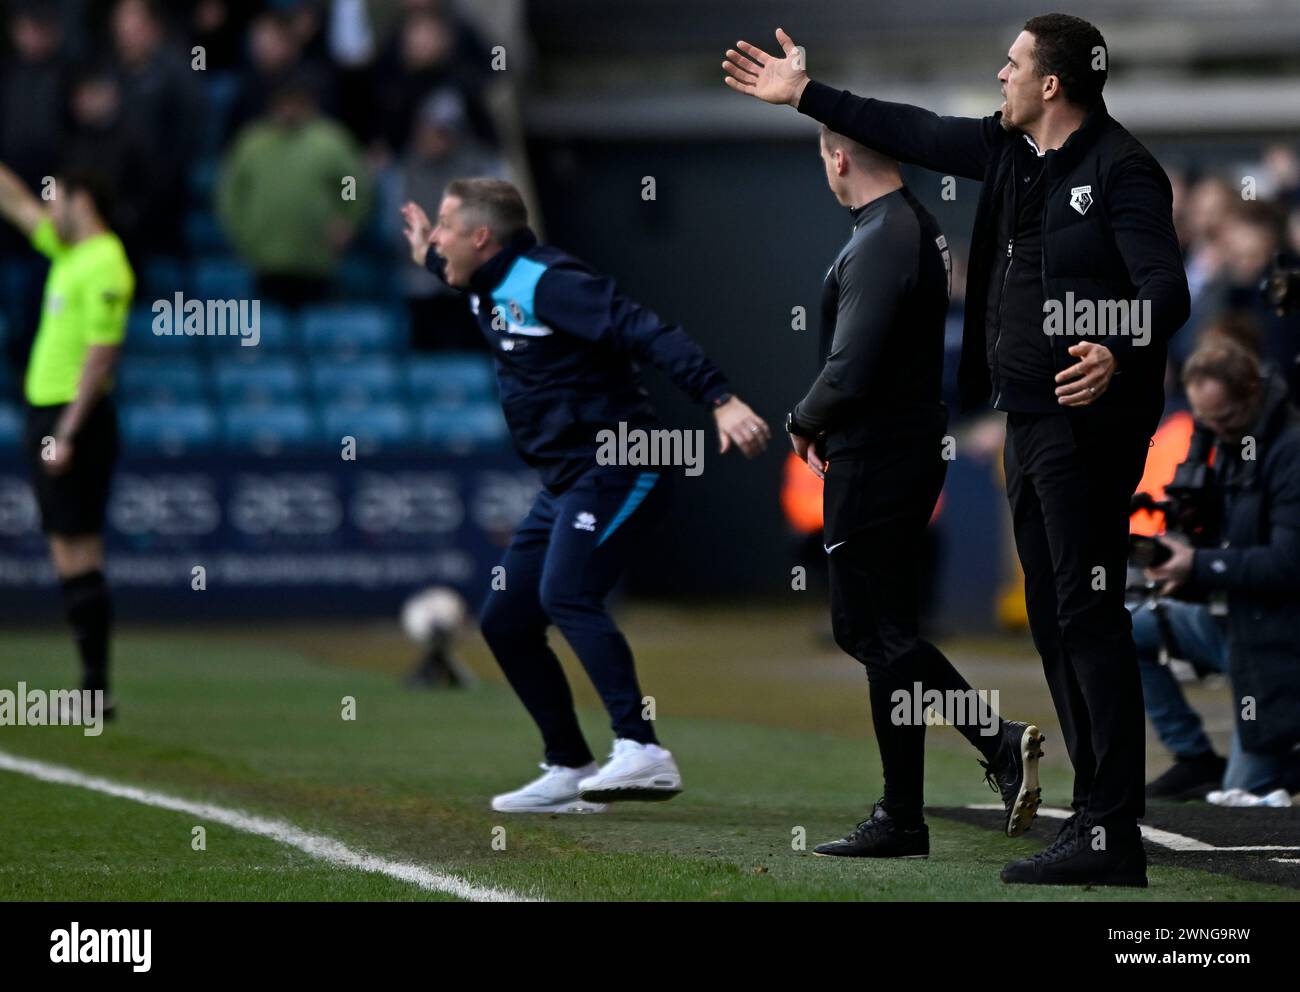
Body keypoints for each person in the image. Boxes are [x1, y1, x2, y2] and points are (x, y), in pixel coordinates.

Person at [724, 13, 1190, 886]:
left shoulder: (1123, 170)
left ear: (1050, 84)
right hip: (1029, 417)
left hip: (1090, 422)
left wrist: (1118, 344)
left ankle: (1109, 830)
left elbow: (1167, 288)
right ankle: (1092, 817)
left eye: (1011, 64)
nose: (1000, 76)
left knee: (1087, 617)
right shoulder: (1012, 151)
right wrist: (806, 96)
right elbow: (914, 130)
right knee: (1058, 616)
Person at [401, 178, 770, 813]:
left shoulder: (548, 282)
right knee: (506, 621)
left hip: (625, 460)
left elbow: (648, 332)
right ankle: (570, 763)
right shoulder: (481, 277)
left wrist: (721, 398)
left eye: (444, 225)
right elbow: (448, 268)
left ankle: (643, 750)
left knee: (566, 594)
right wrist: (425, 254)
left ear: (481, 237)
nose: (437, 238)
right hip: (570, 477)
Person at [788, 126, 1046, 858]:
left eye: (823, 157)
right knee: (887, 634)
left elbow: (850, 364)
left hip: (876, 457)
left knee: (867, 631)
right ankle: (904, 815)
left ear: (839, 158)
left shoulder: (884, 234)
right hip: (896, 450)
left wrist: (801, 419)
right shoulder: (909, 228)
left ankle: (992, 743)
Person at [1136, 338, 1300, 801]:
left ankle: (1286, 763)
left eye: (1223, 419)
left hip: (1279, 642)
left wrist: (1200, 564)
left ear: (1250, 394)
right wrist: (1183, 547)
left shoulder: (1289, 452)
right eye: (1206, 421)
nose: (1215, 430)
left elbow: (1288, 563)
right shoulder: (1234, 440)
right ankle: (1194, 758)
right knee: (1126, 627)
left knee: (1242, 796)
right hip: (1235, 625)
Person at [0, 163, 134, 718]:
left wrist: (68, 431)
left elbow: (102, 354)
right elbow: (16, 204)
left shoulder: (107, 262)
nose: (48, 210)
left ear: (82, 200)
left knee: (78, 545)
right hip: (49, 414)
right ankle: (92, 688)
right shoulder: (70, 252)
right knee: (67, 547)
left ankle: (96, 687)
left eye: (56, 200)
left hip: (74, 417)